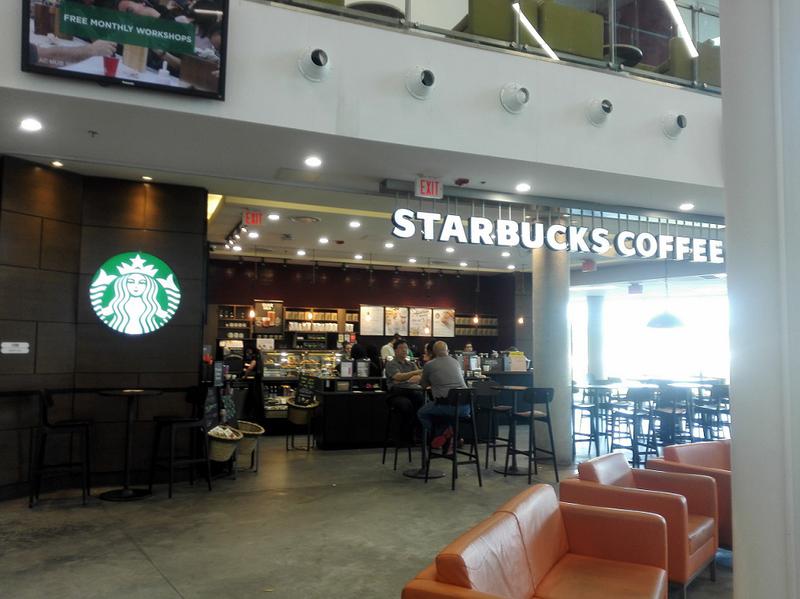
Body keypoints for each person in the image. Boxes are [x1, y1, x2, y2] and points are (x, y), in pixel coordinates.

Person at [417, 341, 468, 454]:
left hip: (447, 405)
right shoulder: (456, 362)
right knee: (443, 413)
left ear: (433, 352)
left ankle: (440, 434)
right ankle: (448, 433)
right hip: (466, 407)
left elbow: (423, 385)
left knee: (422, 413)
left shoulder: (429, 365)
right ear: (447, 350)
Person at [383, 340, 424, 443]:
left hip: (412, 392)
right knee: (406, 405)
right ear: (395, 350)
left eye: (406, 348)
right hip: (396, 394)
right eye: (401, 348)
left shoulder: (411, 364)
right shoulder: (391, 364)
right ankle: (405, 437)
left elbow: (419, 377)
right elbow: (397, 377)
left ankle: (418, 434)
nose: (404, 350)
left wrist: (404, 379)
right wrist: (413, 374)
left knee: (422, 401)